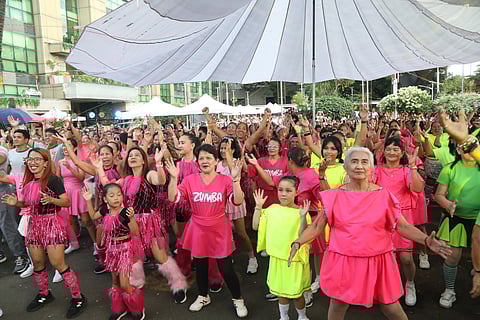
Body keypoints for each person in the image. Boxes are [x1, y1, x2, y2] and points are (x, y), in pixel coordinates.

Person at [288, 146, 450, 320]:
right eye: (354, 161)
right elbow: (316, 226)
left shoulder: (384, 195)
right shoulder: (333, 195)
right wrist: (298, 242)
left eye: (364, 162)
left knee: (390, 306)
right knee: (338, 304)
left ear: (371, 168)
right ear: (346, 167)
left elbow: (402, 226)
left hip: (378, 260)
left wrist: (426, 240)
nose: (359, 166)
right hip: (344, 261)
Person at [0, 148, 87, 318]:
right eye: (30, 159)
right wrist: (16, 202)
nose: (32, 163)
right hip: (34, 225)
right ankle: (44, 293)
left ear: (45, 162)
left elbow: (66, 201)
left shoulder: (53, 180)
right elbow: (28, 204)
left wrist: (52, 199)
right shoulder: (27, 182)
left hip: (52, 224)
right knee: (38, 263)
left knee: (57, 263)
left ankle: (78, 297)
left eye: (37, 159)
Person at [96, 146, 188, 305]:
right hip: (131, 222)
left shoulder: (149, 174)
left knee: (160, 256)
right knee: (134, 256)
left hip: (150, 222)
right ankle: (135, 284)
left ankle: (178, 284)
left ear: (143, 160)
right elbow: (108, 187)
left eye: (137, 155)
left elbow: (161, 180)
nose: (132, 157)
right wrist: (99, 170)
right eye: (130, 155)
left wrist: (159, 164)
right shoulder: (124, 179)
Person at [166, 144, 248, 317]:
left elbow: (238, 201)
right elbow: (173, 198)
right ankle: (203, 296)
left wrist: (235, 180)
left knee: (226, 269)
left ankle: (238, 299)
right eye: (201, 158)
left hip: (219, 227)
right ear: (197, 161)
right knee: (201, 266)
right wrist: (173, 178)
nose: (205, 161)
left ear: (216, 161)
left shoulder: (225, 180)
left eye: (209, 158)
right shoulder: (189, 180)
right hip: (198, 227)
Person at [374, 136, 424, 306]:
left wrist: (413, 167)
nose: (391, 152)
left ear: (402, 152)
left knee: (406, 258)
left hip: (403, 218)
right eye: (388, 149)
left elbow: (417, 188)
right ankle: (390, 289)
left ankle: (410, 283)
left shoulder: (407, 170)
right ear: (383, 151)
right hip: (381, 219)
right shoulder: (376, 170)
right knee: (386, 258)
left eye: (396, 149)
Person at [83, 184, 144, 320]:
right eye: (111, 195)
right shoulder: (105, 210)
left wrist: (132, 218)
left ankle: (137, 308)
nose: (116, 198)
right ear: (105, 199)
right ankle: (119, 308)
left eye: (118, 194)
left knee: (124, 283)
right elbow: (93, 215)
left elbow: (135, 231)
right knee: (115, 281)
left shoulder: (125, 212)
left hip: (125, 249)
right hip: (111, 250)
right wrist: (87, 200)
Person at [253, 179, 312, 320]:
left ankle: (302, 316)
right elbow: (255, 226)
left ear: (296, 192)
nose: (283, 194)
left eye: (288, 190)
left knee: (297, 295)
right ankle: (284, 317)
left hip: (295, 261)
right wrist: (258, 207)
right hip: (277, 259)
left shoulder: (302, 212)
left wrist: (303, 217)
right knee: (281, 293)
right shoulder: (272, 209)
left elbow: (302, 236)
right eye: (281, 190)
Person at [434, 136, 480, 308]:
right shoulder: (449, 169)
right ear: (458, 149)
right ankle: (449, 290)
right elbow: (438, 195)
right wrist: (447, 204)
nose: (468, 151)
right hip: (456, 220)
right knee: (452, 257)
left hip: (479, 221)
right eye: (464, 147)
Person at [217, 137, 258, 274]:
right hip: (221, 203)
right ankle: (228, 256)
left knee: (241, 232)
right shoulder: (216, 163)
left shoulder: (236, 162)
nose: (224, 150)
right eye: (222, 148)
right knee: (224, 233)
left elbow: (234, 174)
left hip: (235, 200)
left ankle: (252, 258)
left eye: (227, 148)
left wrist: (229, 156)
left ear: (233, 149)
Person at [5, 129, 31, 276]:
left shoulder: (31, 152)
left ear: (26, 139)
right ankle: (27, 253)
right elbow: (9, 169)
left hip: (29, 187)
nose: (15, 139)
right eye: (14, 137)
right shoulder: (11, 153)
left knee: (29, 218)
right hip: (14, 186)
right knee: (17, 221)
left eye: (19, 137)